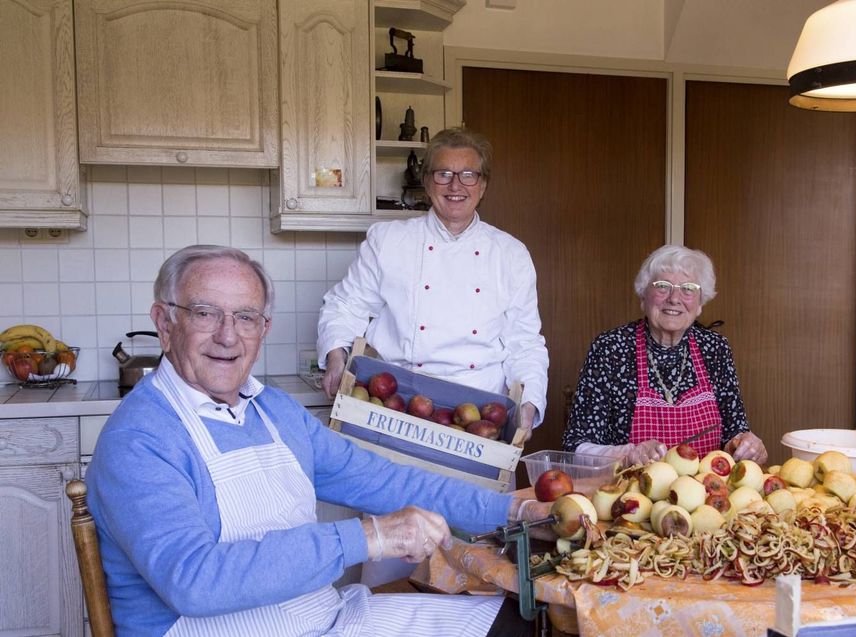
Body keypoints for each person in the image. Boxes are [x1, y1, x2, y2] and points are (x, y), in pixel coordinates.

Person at [85, 245, 552, 637]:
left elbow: (384, 481)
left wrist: (514, 510)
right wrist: (369, 537)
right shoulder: (140, 437)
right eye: (205, 313)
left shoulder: (274, 411)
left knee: (517, 624)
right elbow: (194, 581)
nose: (228, 336)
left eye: (246, 317)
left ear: (263, 330)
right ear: (165, 323)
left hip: (320, 620)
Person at [317, 127, 548, 440]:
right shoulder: (388, 240)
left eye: (468, 174)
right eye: (443, 174)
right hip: (393, 406)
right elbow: (347, 305)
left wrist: (529, 403)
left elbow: (525, 341)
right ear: (426, 182)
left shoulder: (511, 254)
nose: (456, 185)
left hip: (476, 419)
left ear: (483, 185)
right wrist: (335, 357)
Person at [562, 244, 768, 467]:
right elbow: (575, 447)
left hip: (706, 495)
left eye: (688, 288)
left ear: (700, 303)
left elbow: (734, 433)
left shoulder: (715, 349)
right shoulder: (611, 348)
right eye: (663, 286)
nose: (674, 298)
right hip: (630, 496)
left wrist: (746, 446)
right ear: (644, 296)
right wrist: (627, 454)